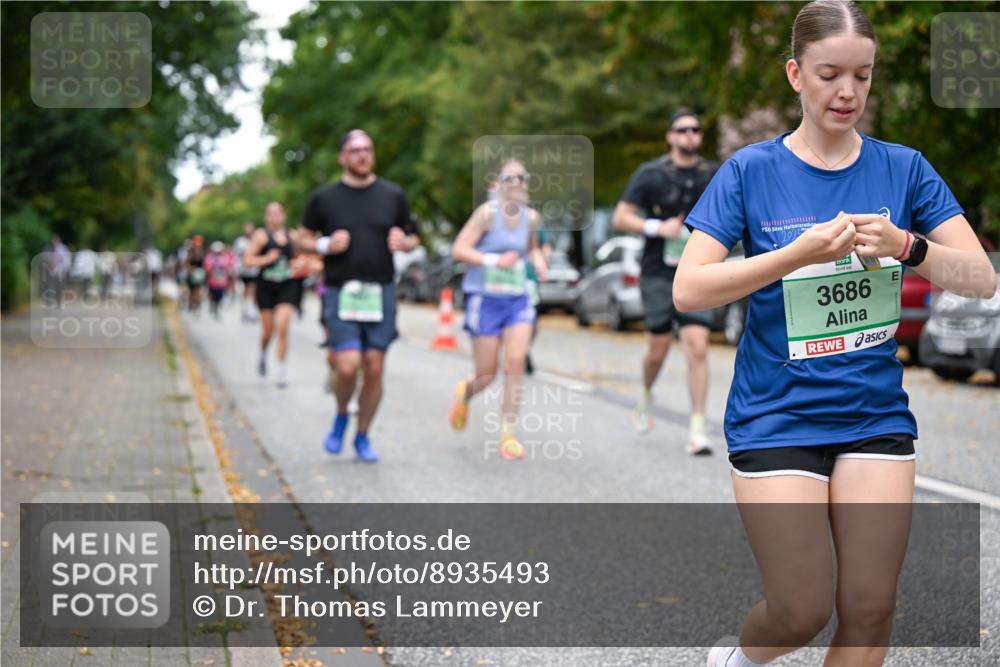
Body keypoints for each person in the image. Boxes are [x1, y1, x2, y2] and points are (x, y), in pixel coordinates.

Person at [670, 2, 998, 666]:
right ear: (796, 74)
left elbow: (981, 277)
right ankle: (736, 658)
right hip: (776, 416)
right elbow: (690, 287)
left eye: (863, 76)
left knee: (870, 609)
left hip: (873, 416)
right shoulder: (750, 170)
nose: (847, 92)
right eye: (829, 74)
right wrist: (798, 255)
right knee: (801, 608)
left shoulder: (903, 168)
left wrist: (908, 245)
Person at [297, 129, 420, 463]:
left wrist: (404, 242)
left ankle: (362, 435)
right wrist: (324, 244)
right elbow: (301, 239)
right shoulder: (324, 198)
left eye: (367, 149)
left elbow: (412, 237)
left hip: (380, 290)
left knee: (375, 366)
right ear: (342, 157)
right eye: (355, 150)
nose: (363, 155)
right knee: (348, 365)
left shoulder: (393, 195)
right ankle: (341, 415)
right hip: (341, 291)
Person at [613, 109, 719, 454]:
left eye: (695, 129)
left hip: (698, 269)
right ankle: (645, 394)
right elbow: (621, 216)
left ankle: (698, 428)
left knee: (697, 345)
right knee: (657, 349)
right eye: (682, 130)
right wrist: (657, 228)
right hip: (659, 271)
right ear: (670, 136)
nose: (689, 135)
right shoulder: (651, 174)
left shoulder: (713, 174)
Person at [447, 159, 548, 460]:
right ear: (500, 184)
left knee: (515, 362)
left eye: (523, 178)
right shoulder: (487, 215)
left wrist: (538, 259)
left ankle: (508, 434)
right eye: (511, 178)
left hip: (517, 298)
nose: (519, 183)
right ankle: (466, 391)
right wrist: (493, 261)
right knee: (486, 374)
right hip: (485, 299)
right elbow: (459, 250)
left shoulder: (531, 218)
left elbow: (531, 248)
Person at [244, 203, 299, 388]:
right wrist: (267, 259)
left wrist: (301, 265)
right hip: (266, 287)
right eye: (271, 214)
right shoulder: (261, 236)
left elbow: (301, 259)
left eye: (278, 213)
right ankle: (262, 352)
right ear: (266, 216)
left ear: (283, 215)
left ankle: (281, 371)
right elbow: (248, 260)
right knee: (268, 331)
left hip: (287, 287)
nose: (275, 217)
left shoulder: (293, 236)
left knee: (283, 326)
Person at [233, 223, 259, 322]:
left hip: (254, 270)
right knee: (247, 290)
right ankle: (246, 310)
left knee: (252, 290)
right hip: (243, 270)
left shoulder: (256, 240)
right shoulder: (240, 241)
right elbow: (236, 254)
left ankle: (251, 310)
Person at [204, 241, 234, 320]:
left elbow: (229, 266)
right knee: (212, 294)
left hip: (222, 280)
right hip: (212, 279)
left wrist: (226, 273)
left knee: (220, 295)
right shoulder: (209, 257)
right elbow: (207, 267)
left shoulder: (225, 257)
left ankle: (217, 308)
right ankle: (213, 305)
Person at [185, 235, 207, 314]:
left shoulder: (203, 251)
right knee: (191, 289)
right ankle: (191, 304)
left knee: (198, 288)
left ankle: (197, 302)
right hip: (192, 272)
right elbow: (186, 263)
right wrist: (190, 270)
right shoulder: (191, 251)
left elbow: (205, 263)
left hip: (200, 272)